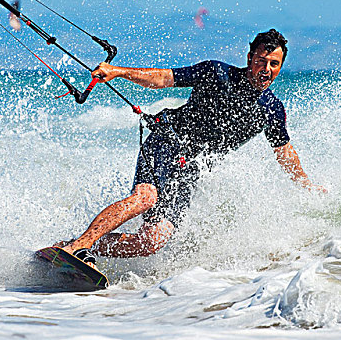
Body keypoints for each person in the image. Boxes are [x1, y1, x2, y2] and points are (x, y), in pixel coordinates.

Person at [58, 29, 326, 266]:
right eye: (260, 61)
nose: (266, 69)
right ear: (249, 59)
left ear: (280, 67)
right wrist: (119, 72)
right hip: (167, 140)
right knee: (145, 198)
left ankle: (79, 246)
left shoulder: (271, 110)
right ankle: (78, 246)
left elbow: (285, 152)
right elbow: (164, 78)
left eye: (273, 64)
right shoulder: (215, 73)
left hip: (189, 168)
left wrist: (306, 184)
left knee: (153, 240)